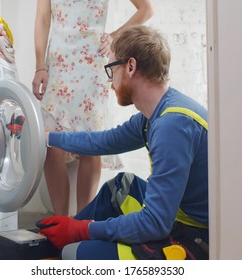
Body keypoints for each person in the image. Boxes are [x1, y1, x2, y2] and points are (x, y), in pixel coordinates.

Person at [37, 25, 209, 260]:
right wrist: (47, 138)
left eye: (111, 69)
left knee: (78, 254)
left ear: (130, 66)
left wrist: (84, 230)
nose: (110, 82)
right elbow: (104, 141)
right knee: (121, 186)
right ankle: (57, 237)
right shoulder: (156, 113)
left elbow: (155, 223)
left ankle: (67, 244)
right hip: (177, 215)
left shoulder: (172, 124)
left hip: (197, 236)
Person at [32, 0, 154, 216]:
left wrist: (115, 35)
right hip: (58, 65)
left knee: (90, 146)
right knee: (49, 144)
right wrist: (40, 65)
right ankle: (60, 221)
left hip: (92, 65)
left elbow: (146, 9)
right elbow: (43, 19)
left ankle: (81, 223)